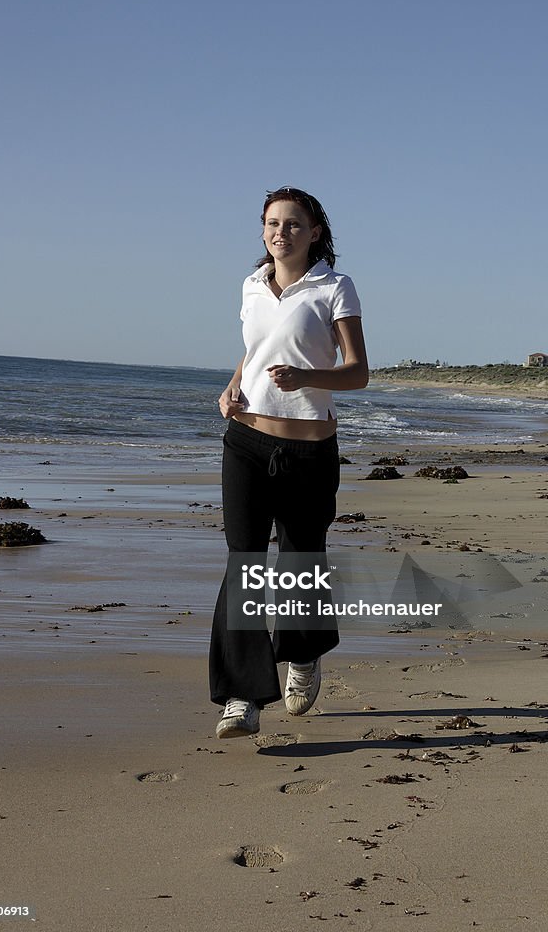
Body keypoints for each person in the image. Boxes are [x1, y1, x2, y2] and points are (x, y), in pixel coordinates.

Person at [209, 186, 368, 738]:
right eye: (273, 223)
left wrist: (307, 379)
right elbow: (254, 350)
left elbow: (357, 372)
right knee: (244, 562)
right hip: (245, 441)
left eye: (294, 224)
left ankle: (301, 654)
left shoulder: (333, 287)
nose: (282, 232)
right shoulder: (252, 285)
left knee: (301, 560)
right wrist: (231, 389)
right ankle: (242, 696)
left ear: (315, 232)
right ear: (263, 231)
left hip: (308, 450)